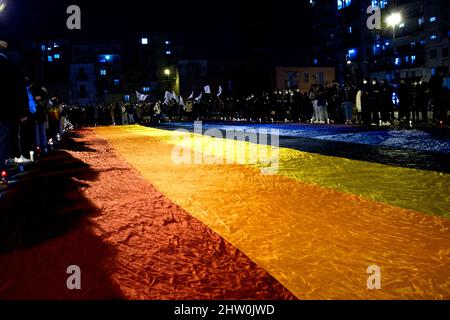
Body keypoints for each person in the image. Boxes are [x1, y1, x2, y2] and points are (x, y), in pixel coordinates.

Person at [0, 40, 29, 169]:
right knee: (2, 140)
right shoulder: (12, 66)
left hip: (5, 111)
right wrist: (23, 111)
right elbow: (20, 91)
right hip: (5, 111)